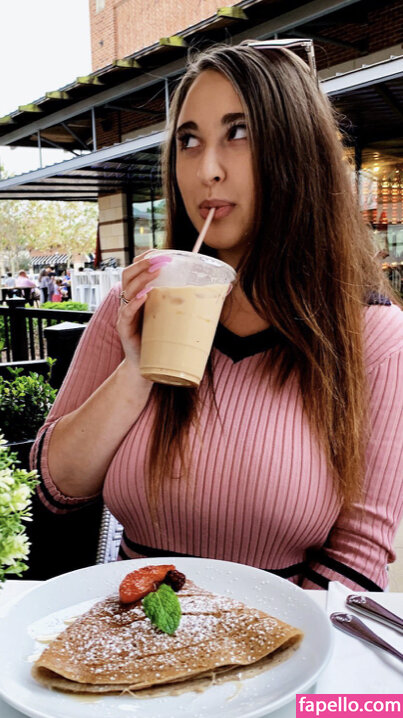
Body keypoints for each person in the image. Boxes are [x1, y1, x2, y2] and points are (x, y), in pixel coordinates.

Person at [31, 41, 403, 591]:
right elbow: (56, 489)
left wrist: (251, 638)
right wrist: (137, 368)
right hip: (134, 619)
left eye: (239, 132)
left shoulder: (374, 335)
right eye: (188, 140)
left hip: (285, 630)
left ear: (298, 152)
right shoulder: (134, 304)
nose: (206, 170)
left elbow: (358, 556)